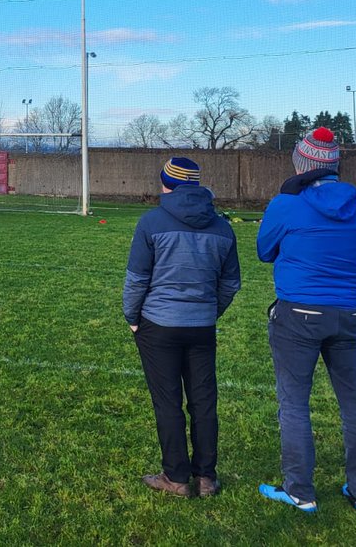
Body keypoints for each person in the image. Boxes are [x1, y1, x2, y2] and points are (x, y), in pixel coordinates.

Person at [256, 128, 356, 513]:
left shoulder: (285, 204)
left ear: (302, 164)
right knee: (355, 403)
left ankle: (300, 492)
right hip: (348, 314)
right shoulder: (355, 205)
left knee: (294, 404)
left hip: (299, 316)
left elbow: (264, 250)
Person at [123, 157, 240, 498]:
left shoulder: (151, 221)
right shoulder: (222, 226)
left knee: (168, 402)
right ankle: (206, 477)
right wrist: (209, 312)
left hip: (158, 326)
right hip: (201, 326)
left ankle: (176, 477)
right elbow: (230, 283)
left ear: (166, 183)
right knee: (204, 401)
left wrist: (132, 317)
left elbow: (136, 279)